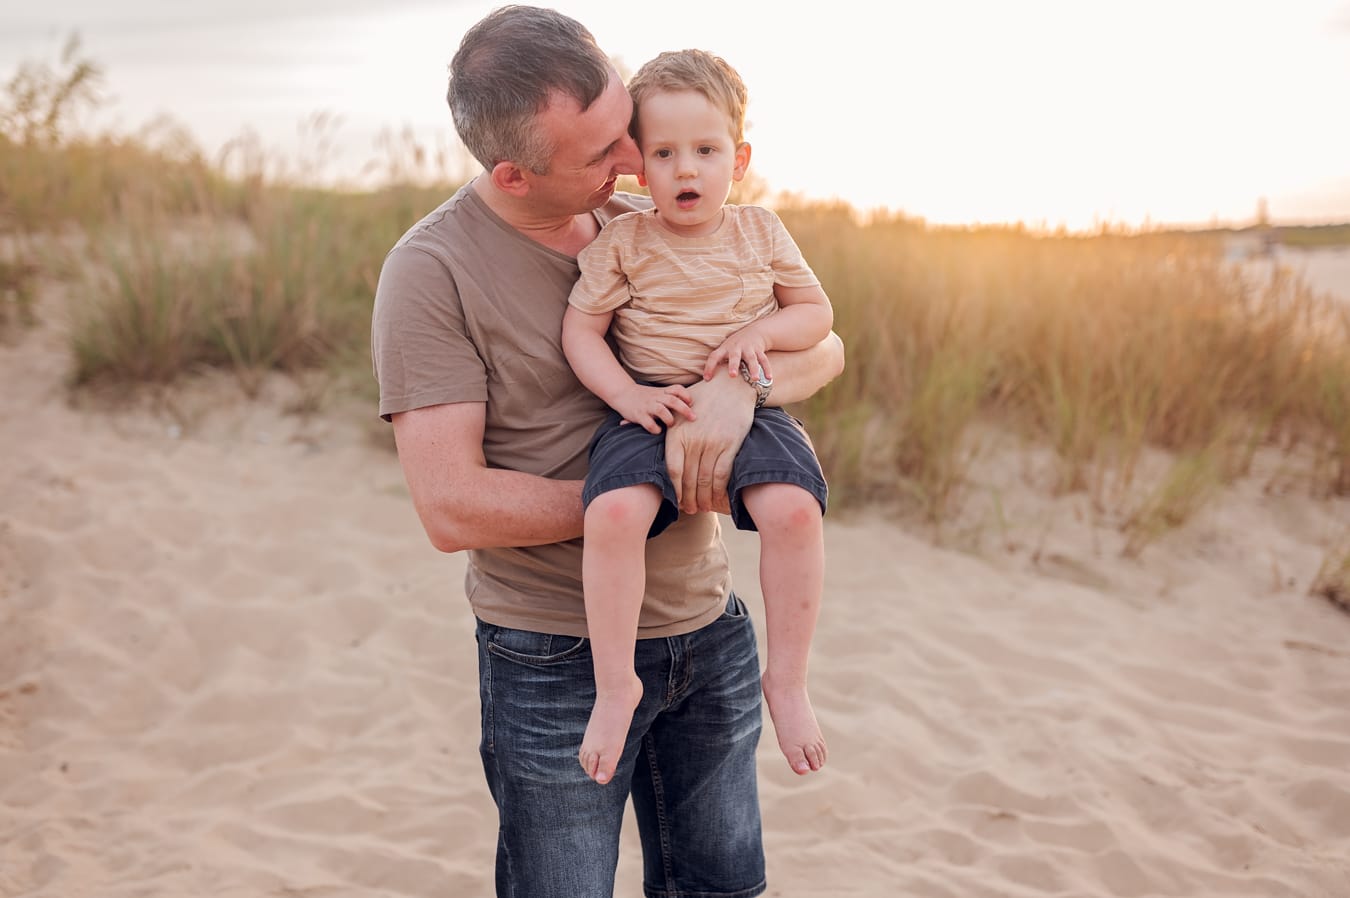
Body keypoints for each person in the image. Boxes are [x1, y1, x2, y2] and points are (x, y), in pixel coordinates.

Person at [370, 6, 844, 897]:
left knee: (721, 887)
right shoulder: (431, 273)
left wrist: (741, 390)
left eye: (628, 128)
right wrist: (673, 485)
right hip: (555, 657)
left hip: (710, 631)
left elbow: (828, 349)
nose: (636, 160)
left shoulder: (646, 219)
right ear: (513, 173)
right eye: (604, 154)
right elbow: (449, 507)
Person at [561, 49, 832, 787]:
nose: (687, 170)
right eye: (666, 153)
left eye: (707, 151)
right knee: (612, 515)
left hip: (744, 394)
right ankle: (617, 685)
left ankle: (789, 680)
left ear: (738, 159)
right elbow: (581, 333)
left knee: (795, 512)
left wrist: (760, 336)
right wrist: (627, 398)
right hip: (651, 400)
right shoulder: (624, 243)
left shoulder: (761, 233)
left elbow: (816, 314)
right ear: (636, 167)